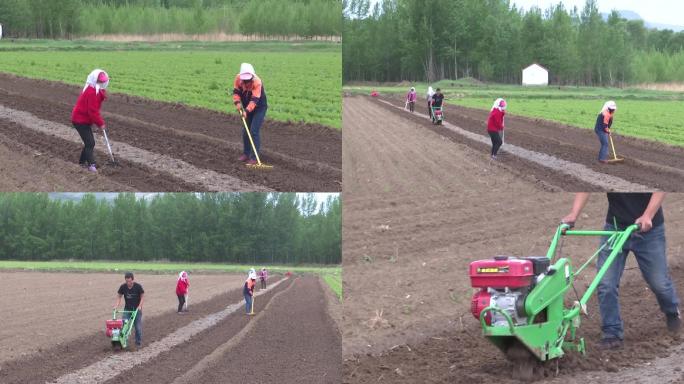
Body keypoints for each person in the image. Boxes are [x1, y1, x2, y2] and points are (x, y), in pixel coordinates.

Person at [561, 193, 681, 350]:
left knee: (659, 283)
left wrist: (647, 215)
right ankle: (612, 332)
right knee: (605, 282)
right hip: (615, 228)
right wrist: (574, 214)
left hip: (648, 229)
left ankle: (672, 311)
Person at [71, 69, 109, 172]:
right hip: (79, 120)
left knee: (89, 142)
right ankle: (92, 165)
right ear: (94, 80)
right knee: (90, 143)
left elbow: (94, 110)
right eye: (100, 81)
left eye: (103, 81)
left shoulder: (95, 89)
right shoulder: (92, 92)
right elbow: (92, 111)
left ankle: (82, 163)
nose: (102, 83)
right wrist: (101, 124)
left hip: (84, 120)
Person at [232, 63, 268, 166]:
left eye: (248, 80)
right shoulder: (238, 79)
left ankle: (254, 158)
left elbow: (254, 100)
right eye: (245, 80)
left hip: (259, 107)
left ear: (252, 76)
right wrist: (237, 103)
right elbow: (236, 92)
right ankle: (246, 154)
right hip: (247, 106)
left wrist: (246, 111)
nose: (247, 82)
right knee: (245, 131)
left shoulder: (257, 82)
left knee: (254, 131)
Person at [115, 272, 145, 349]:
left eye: (129, 281)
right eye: (127, 281)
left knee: (137, 327)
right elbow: (119, 296)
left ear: (132, 280)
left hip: (136, 310)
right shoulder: (123, 287)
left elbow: (142, 297)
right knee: (124, 326)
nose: (128, 283)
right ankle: (123, 342)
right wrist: (116, 305)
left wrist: (140, 306)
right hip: (127, 310)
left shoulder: (138, 287)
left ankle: (138, 343)